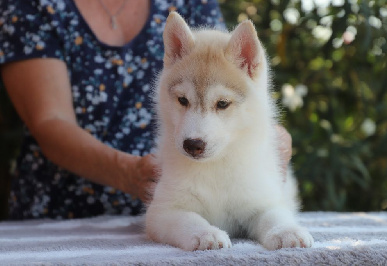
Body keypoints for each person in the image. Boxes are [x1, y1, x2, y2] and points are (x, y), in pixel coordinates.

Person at [0, 0, 292, 220]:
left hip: (187, 213)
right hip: (60, 213)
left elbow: (226, 74)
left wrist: (259, 134)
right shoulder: (34, 7)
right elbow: (50, 120)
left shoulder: (192, 2)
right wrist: (129, 173)